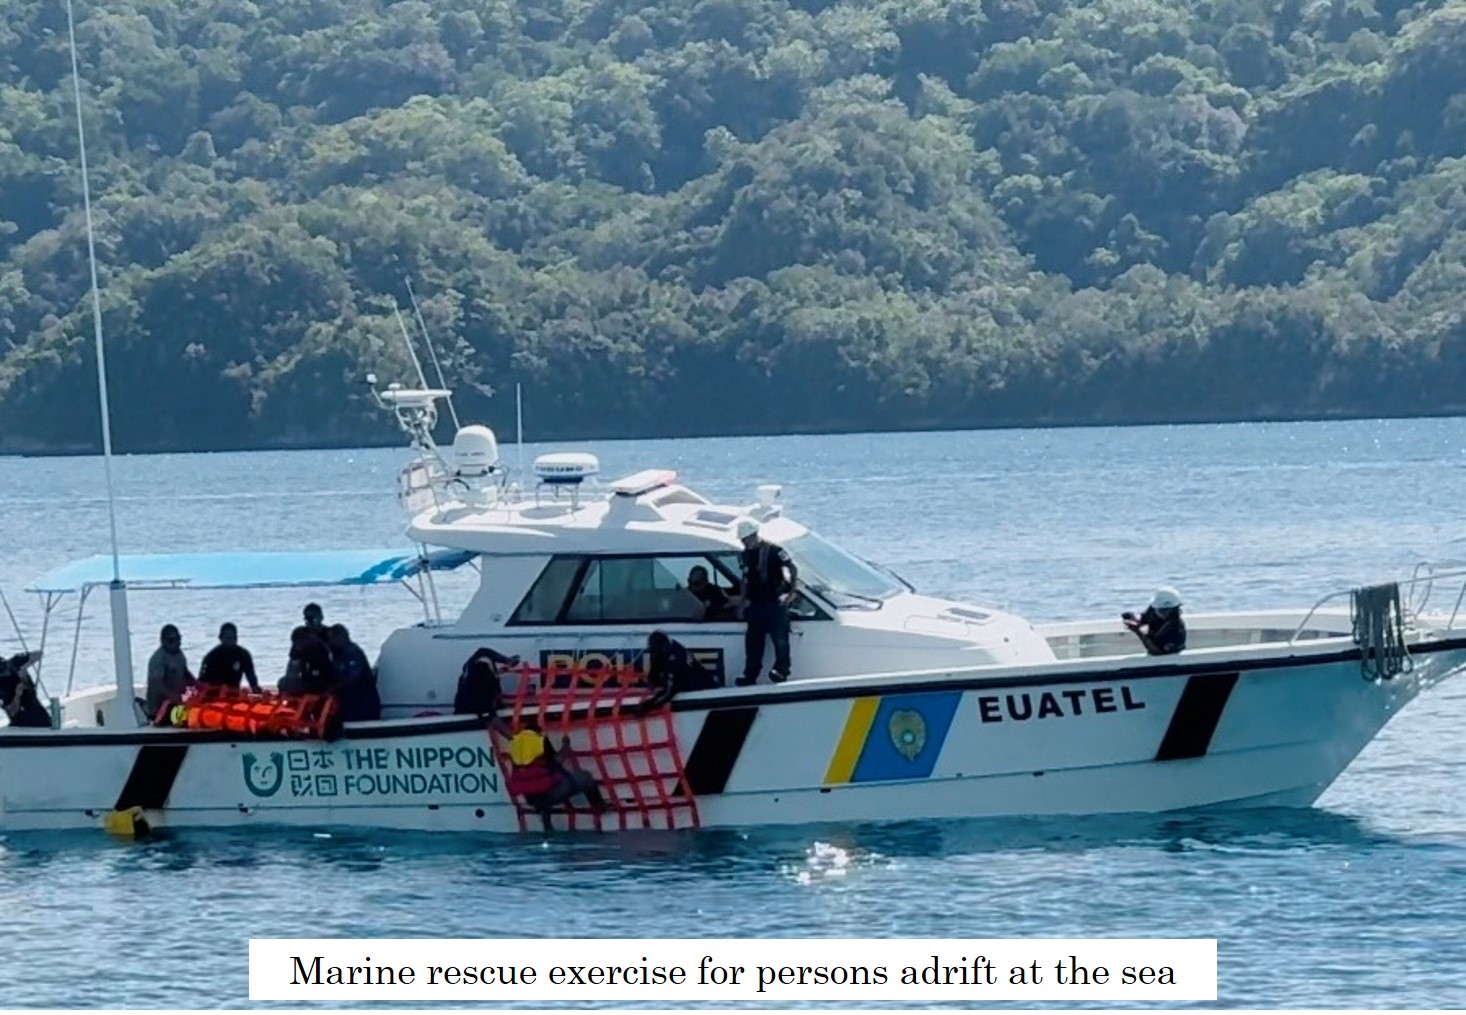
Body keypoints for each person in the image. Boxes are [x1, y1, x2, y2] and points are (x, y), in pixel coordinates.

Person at [505, 725, 607, 832]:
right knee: (586, 777)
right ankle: (600, 806)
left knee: (539, 789)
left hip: (530, 798)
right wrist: (566, 745)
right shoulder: (540, 743)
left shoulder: (515, 747)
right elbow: (558, 761)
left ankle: (547, 823)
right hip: (551, 793)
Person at [735, 518, 798, 686]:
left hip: (774, 602)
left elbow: (792, 568)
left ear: (755, 535)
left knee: (780, 640)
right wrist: (742, 603)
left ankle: (782, 671)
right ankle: (750, 675)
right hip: (755, 604)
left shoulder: (774, 551)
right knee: (753, 642)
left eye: (746, 539)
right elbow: (744, 579)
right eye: (743, 540)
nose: (745, 543)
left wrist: (792, 593)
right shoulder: (744, 555)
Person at [645, 630, 720, 704]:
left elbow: (670, 692)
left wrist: (649, 704)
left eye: (655, 650)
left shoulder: (677, 659)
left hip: (703, 692)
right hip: (684, 684)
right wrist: (651, 681)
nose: (654, 653)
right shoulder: (670, 646)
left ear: (663, 648)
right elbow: (655, 667)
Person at [326, 624, 381, 722]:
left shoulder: (353, 652)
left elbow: (354, 677)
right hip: (349, 702)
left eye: (332, 639)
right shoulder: (337, 654)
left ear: (341, 637)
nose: (330, 643)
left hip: (362, 702)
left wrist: (334, 687)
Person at [453, 647, 520, 722]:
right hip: (474, 711)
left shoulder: (471, 665)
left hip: (462, 708)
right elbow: (493, 687)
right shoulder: (484, 664)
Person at [145, 624, 195, 722]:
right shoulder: (158, 660)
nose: (176, 643)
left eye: (178, 639)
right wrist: (175, 697)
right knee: (192, 717)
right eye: (172, 640)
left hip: (175, 703)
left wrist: (198, 686)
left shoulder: (178, 653)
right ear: (163, 641)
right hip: (160, 709)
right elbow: (158, 685)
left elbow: (185, 673)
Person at [1123, 586, 1187, 656]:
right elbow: (1144, 618)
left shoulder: (1177, 630)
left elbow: (1158, 652)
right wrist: (1134, 617)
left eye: (1170, 611)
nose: (1164, 614)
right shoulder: (1154, 610)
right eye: (1161, 610)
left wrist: (1139, 632)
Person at [198, 623, 261, 692]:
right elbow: (201, 682)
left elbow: (251, 678)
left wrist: (256, 689)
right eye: (228, 638)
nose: (231, 641)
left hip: (234, 694)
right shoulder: (211, 657)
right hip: (212, 695)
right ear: (220, 638)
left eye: (234, 638)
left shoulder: (243, 655)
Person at [0, 651, 51, 729]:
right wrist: (17, 694)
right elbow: (11, 712)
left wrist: (22, 667)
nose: (6, 673)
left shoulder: (14, 664)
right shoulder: (2, 685)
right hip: (19, 721)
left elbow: (39, 654)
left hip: (38, 714)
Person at [282, 625, 335, 696]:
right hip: (310, 678)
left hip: (319, 682)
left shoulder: (319, 651)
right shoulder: (306, 649)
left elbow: (320, 672)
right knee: (287, 677)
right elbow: (293, 656)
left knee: (286, 683)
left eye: (297, 643)